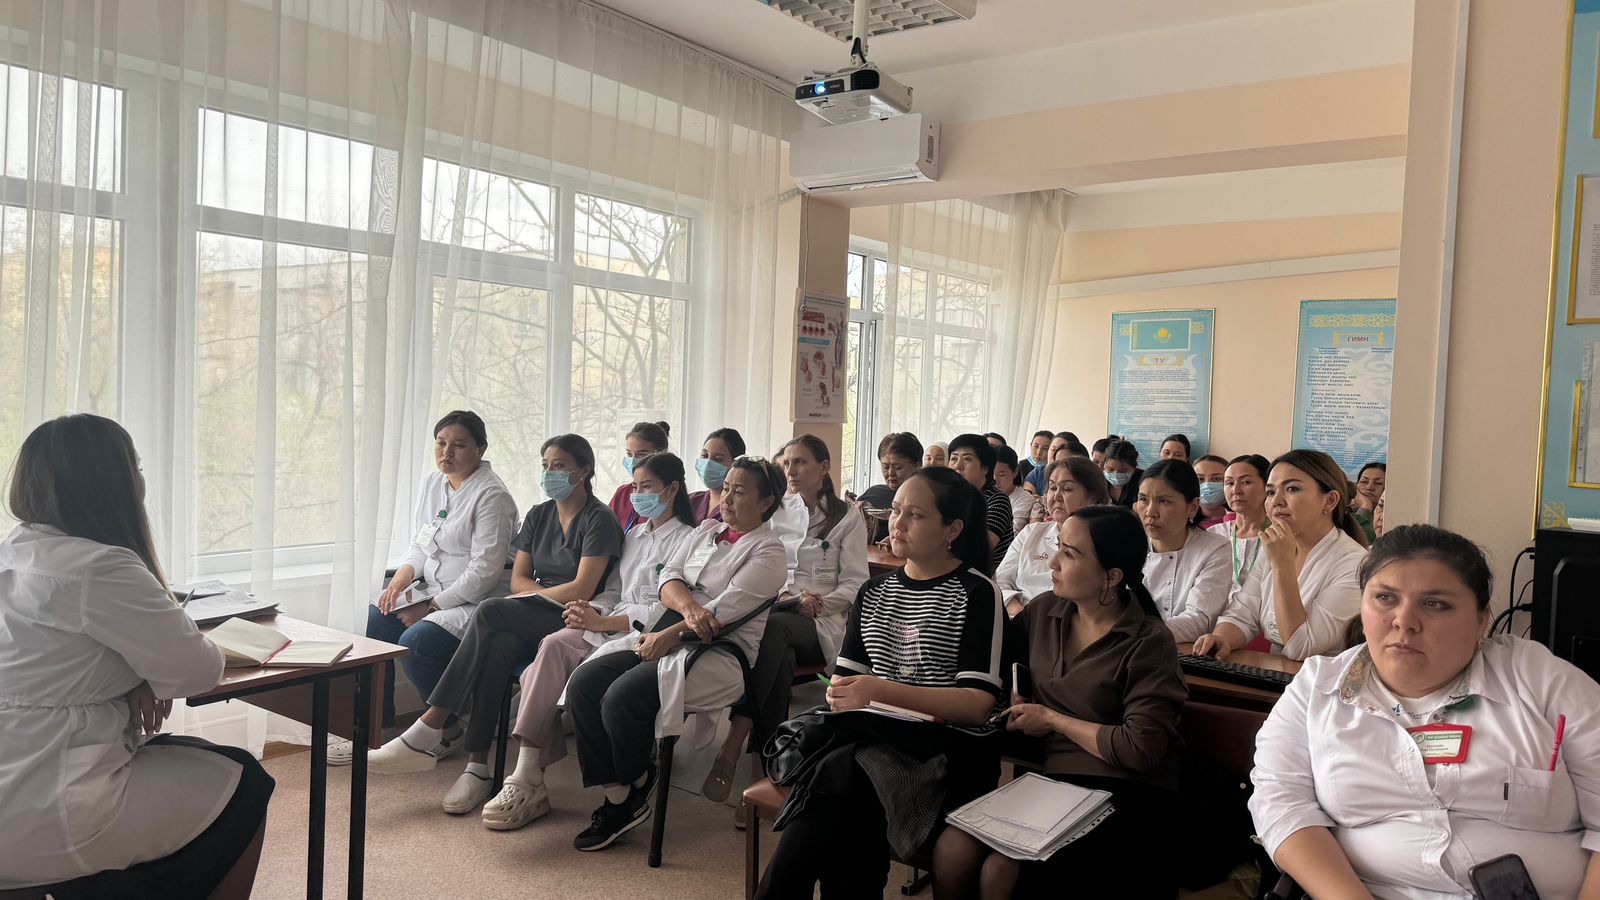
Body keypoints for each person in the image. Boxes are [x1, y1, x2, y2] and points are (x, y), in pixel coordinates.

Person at [0, 415, 274, 898]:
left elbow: (62, 659)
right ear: (112, 483)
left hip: (15, 777)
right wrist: (147, 670)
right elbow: (200, 670)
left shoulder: (15, 550)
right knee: (244, 778)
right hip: (50, 810)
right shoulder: (102, 566)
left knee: (192, 760)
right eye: (138, 467)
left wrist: (138, 674)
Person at [1249, 524, 1600, 899]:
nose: (1404, 621)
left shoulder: (1542, 682)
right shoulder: (1317, 688)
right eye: (1385, 598)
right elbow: (1281, 803)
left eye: (1435, 604)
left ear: (1482, 619)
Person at [755, 466, 1006, 899]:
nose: (898, 523)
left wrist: (879, 691)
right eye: (896, 511)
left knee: (840, 782)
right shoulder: (874, 591)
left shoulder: (976, 592)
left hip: (944, 750)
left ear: (953, 529)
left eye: (916, 515)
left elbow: (978, 704)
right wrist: (842, 692)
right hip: (876, 739)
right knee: (846, 790)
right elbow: (846, 679)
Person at [933, 505, 1187, 900]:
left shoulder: (1149, 641)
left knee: (1002, 871)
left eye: (1069, 554)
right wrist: (1012, 698)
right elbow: (999, 669)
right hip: (1055, 781)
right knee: (952, 848)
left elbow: (1140, 748)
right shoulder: (1044, 612)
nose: (1052, 562)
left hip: (1129, 791)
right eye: (1058, 548)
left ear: (1112, 576)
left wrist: (1051, 719)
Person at [367, 434, 624, 817]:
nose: (549, 473)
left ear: (584, 471)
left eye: (559, 466)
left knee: (489, 612)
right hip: (537, 611)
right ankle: (477, 767)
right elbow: (517, 581)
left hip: (578, 618)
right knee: (497, 646)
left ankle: (431, 725)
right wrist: (536, 597)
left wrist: (534, 596)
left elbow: (583, 588)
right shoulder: (539, 515)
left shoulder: (599, 519)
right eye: (545, 465)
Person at [564, 456, 789, 851]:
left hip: (717, 654)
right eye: (727, 489)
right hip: (665, 630)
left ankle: (631, 786)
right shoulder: (707, 530)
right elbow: (668, 576)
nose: (726, 499)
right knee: (585, 683)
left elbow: (721, 615)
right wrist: (688, 609)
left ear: (767, 502)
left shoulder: (768, 552)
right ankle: (623, 792)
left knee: (620, 698)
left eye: (739, 492)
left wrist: (673, 632)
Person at [478, 452, 699, 831]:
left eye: (647, 487)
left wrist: (604, 621)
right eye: (635, 487)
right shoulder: (634, 534)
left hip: (641, 633)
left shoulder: (689, 540)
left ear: (672, 489)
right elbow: (613, 589)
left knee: (543, 674)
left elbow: (667, 607)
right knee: (551, 647)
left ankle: (533, 775)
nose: (638, 495)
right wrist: (588, 610)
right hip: (607, 623)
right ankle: (525, 773)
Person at [340, 410, 519, 765]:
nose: (446, 453)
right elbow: (422, 542)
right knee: (376, 620)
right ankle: (377, 727)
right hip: (433, 589)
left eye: (459, 445)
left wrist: (431, 607)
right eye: (441, 443)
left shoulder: (492, 496)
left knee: (417, 641)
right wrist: (403, 577)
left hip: (478, 601)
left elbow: (484, 571)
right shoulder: (433, 482)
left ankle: (447, 728)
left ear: (480, 449)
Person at [702, 436, 870, 803]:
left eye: (800, 462)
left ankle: (733, 743)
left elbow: (856, 582)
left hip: (820, 620)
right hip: (774, 609)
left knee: (774, 631)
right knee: (779, 656)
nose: (790, 470)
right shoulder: (775, 510)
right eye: (787, 463)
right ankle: (765, 771)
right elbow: (761, 564)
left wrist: (819, 604)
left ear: (824, 467)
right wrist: (788, 599)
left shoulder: (846, 516)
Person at [1192, 449, 1368, 661]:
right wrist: (1221, 638)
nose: (1276, 501)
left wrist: (1282, 566)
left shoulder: (1354, 563)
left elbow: (1301, 647)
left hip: (1325, 678)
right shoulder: (1275, 549)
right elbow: (1243, 614)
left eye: (1292, 489)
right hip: (1278, 674)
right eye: (1270, 492)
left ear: (1329, 501)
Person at [996, 457, 1110, 616]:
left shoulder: (1103, 541)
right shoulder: (1032, 532)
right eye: (1052, 488)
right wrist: (1019, 613)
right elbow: (1000, 580)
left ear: (1094, 497)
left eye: (1067, 489)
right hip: (1016, 617)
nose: (1056, 496)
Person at [1135, 460, 1231, 643]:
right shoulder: (1129, 543)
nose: (1150, 512)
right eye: (1143, 499)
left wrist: (1131, 631)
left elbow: (1198, 620)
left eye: (1163, 501)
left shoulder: (1214, 549)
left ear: (1193, 507)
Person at [1206, 454, 1272, 600]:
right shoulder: (1213, 535)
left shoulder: (1279, 536)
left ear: (1267, 486)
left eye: (1246, 482)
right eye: (1229, 483)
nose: (1235, 490)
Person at [948, 433, 1016, 570]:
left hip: (983, 574)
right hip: (948, 567)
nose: (957, 466)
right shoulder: (947, 496)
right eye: (953, 458)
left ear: (985, 468)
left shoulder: (998, 500)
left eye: (967, 459)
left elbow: (980, 548)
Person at [607, 421, 671, 530]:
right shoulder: (622, 493)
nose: (633, 461)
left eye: (641, 454)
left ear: (661, 454)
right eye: (629, 454)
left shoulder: (668, 494)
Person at [690, 427, 745, 524]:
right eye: (704, 456)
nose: (707, 464)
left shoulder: (738, 509)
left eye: (718, 459)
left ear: (735, 463)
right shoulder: (691, 501)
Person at [859, 432, 924, 511]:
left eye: (898, 467)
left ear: (917, 466)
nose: (890, 473)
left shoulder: (927, 499)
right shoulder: (872, 495)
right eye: (885, 467)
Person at [994, 445, 1036, 534]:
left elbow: (1014, 532)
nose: (995, 480)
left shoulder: (1024, 499)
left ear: (1015, 471)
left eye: (1001, 475)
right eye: (991, 474)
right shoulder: (982, 493)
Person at [1350, 461, 1386, 543]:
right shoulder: (1343, 513)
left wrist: (1365, 508)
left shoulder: (1385, 519)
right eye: (1364, 482)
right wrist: (1365, 507)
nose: (1369, 487)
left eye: (1378, 483)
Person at [1101, 438, 1142, 509]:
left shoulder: (1142, 483)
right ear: (1104, 465)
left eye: (1122, 471)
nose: (1115, 474)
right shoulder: (1099, 482)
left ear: (1133, 469)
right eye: (1110, 469)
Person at [1193, 454, 1229, 529]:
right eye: (1200, 479)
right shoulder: (1182, 521)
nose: (1207, 485)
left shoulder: (1239, 520)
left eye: (1216, 478)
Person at [1022, 430, 1055, 495]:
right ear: (1030, 446)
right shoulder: (1021, 466)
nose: (1039, 452)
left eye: (1045, 448)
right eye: (1036, 446)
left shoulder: (1052, 470)